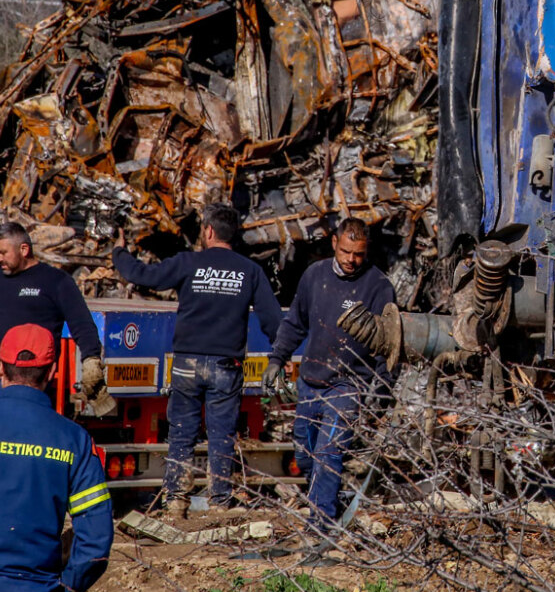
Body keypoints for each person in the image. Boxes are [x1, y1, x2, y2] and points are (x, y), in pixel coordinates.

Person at [112, 204, 284, 514]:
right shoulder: (250, 271)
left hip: (187, 364)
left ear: (208, 231)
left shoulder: (189, 263)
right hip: (226, 366)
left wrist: (119, 252)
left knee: (181, 431)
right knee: (221, 435)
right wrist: (280, 357)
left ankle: (176, 501)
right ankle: (219, 503)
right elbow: (273, 321)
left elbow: (142, 275)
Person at [262, 218, 395, 529]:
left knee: (328, 453)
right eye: (347, 251)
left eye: (359, 254)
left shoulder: (378, 286)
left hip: (348, 385)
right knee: (306, 456)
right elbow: (295, 323)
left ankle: (320, 525)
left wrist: (382, 390)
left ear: (367, 251)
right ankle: (329, 501)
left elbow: (389, 346)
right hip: (311, 381)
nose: (351, 260)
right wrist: (276, 359)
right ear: (335, 243)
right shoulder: (315, 276)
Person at [0, 323, 112, 592]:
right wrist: (65, 590)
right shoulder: (74, 440)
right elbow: (96, 540)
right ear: (52, 372)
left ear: (1, 369)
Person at [0, 222, 104, 403]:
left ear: (24, 249)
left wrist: (91, 359)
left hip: (34, 378)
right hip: (3, 372)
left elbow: (81, 323)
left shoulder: (55, 281)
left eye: (3, 253)